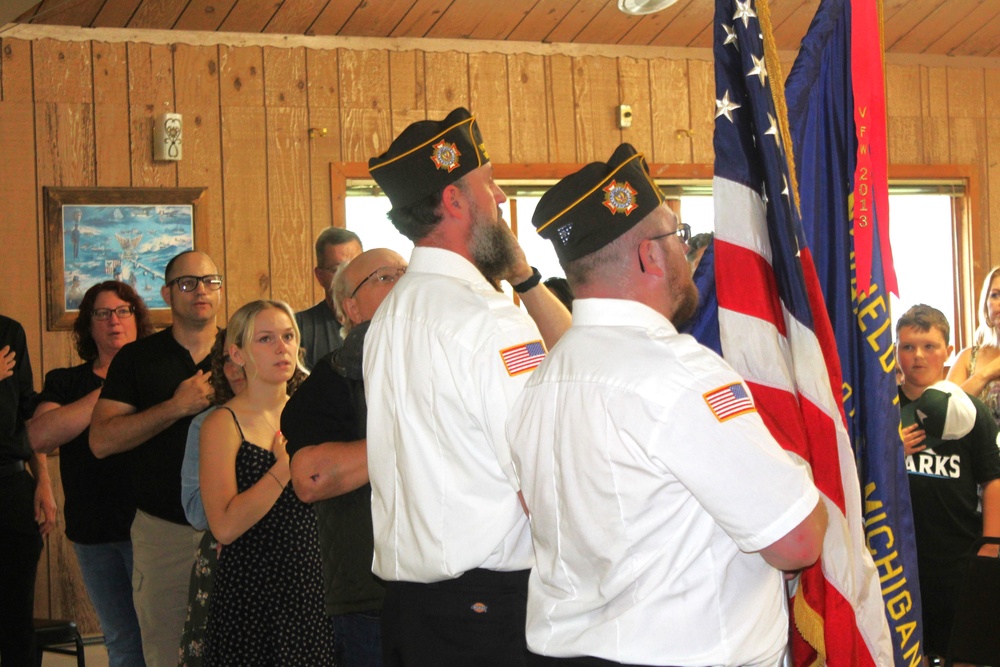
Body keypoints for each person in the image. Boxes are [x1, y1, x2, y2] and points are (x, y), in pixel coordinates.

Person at [508, 144, 827, 666]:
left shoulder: (541, 382)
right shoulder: (680, 374)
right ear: (649, 255)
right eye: (677, 235)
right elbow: (796, 542)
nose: (686, 249)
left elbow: (534, 509)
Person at [364, 107, 571, 665]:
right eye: (490, 184)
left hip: (410, 608)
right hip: (487, 612)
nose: (501, 198)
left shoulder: (390, 313)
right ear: (455, 200)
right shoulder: (489, 320)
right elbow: (541, 474)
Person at [90, 251, 222, 667]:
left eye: (210, 281)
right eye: (187, 283)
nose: (200, 290)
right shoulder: (138, 358)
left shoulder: (242, 350)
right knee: (165, 653)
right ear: (166, 292)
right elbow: (101, 440)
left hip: (237, 529)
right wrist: (175, 407)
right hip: (164, 534)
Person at [285, 248, 407, 667]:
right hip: (370, 591)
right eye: (384, 277)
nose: (402, 282)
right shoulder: (332, 377)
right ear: (350, 308)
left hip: (449, 584)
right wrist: (421, 436)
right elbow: (312, 478)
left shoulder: (441, 360)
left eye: (406, 272)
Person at [199, 300, 335, 666]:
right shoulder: (222, 424)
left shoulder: (313, 412)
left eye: (288, 336)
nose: (281, 347)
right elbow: (224, 527)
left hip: (312, 584)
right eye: (265, 339)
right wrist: (283, 468)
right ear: (237, 353)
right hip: (250, 592)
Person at [27, 281, 152, 667]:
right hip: (93, 533)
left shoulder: (155, 377)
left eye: (122, 311)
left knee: (159, 634)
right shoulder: (66, 381)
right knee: (120, 639)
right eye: (102, 313)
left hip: (150, 528)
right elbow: (41, 435)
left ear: (136, 319)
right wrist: (112, 388)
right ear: (88, 325)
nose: (113, 321)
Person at [896, 304, 1000, 660]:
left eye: (929, 346)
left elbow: (993, 480)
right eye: (908, 347)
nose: (918, 357)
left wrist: (991, 545)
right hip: (899, 555)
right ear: (895, 352)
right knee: (910, 652)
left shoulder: (971, 411)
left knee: (965, 649)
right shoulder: (881, 410)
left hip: (959, 554)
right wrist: (891, 455)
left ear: (948, 352)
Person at [178, 329, 247, 667]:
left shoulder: (300, 414)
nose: (235, 370)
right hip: (227, 562)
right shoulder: (208, 423)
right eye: (227, 361)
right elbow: (195, 510)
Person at [0, 315, 56, 667]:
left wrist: (44, 482)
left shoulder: (8, 332)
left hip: (11, 485)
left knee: (17, 621)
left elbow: (27, 415)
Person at [296, 228, 363, 370]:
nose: (347, 276)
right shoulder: (299, 328)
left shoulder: (381, 322)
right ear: (320, 276)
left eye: (354, 265)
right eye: (336, 269)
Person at [947, 266, 1000, 425]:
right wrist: (987, 373)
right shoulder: (968, 358)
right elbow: (945, 414)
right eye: (995, 295)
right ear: (986, 303)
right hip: (973, 448)